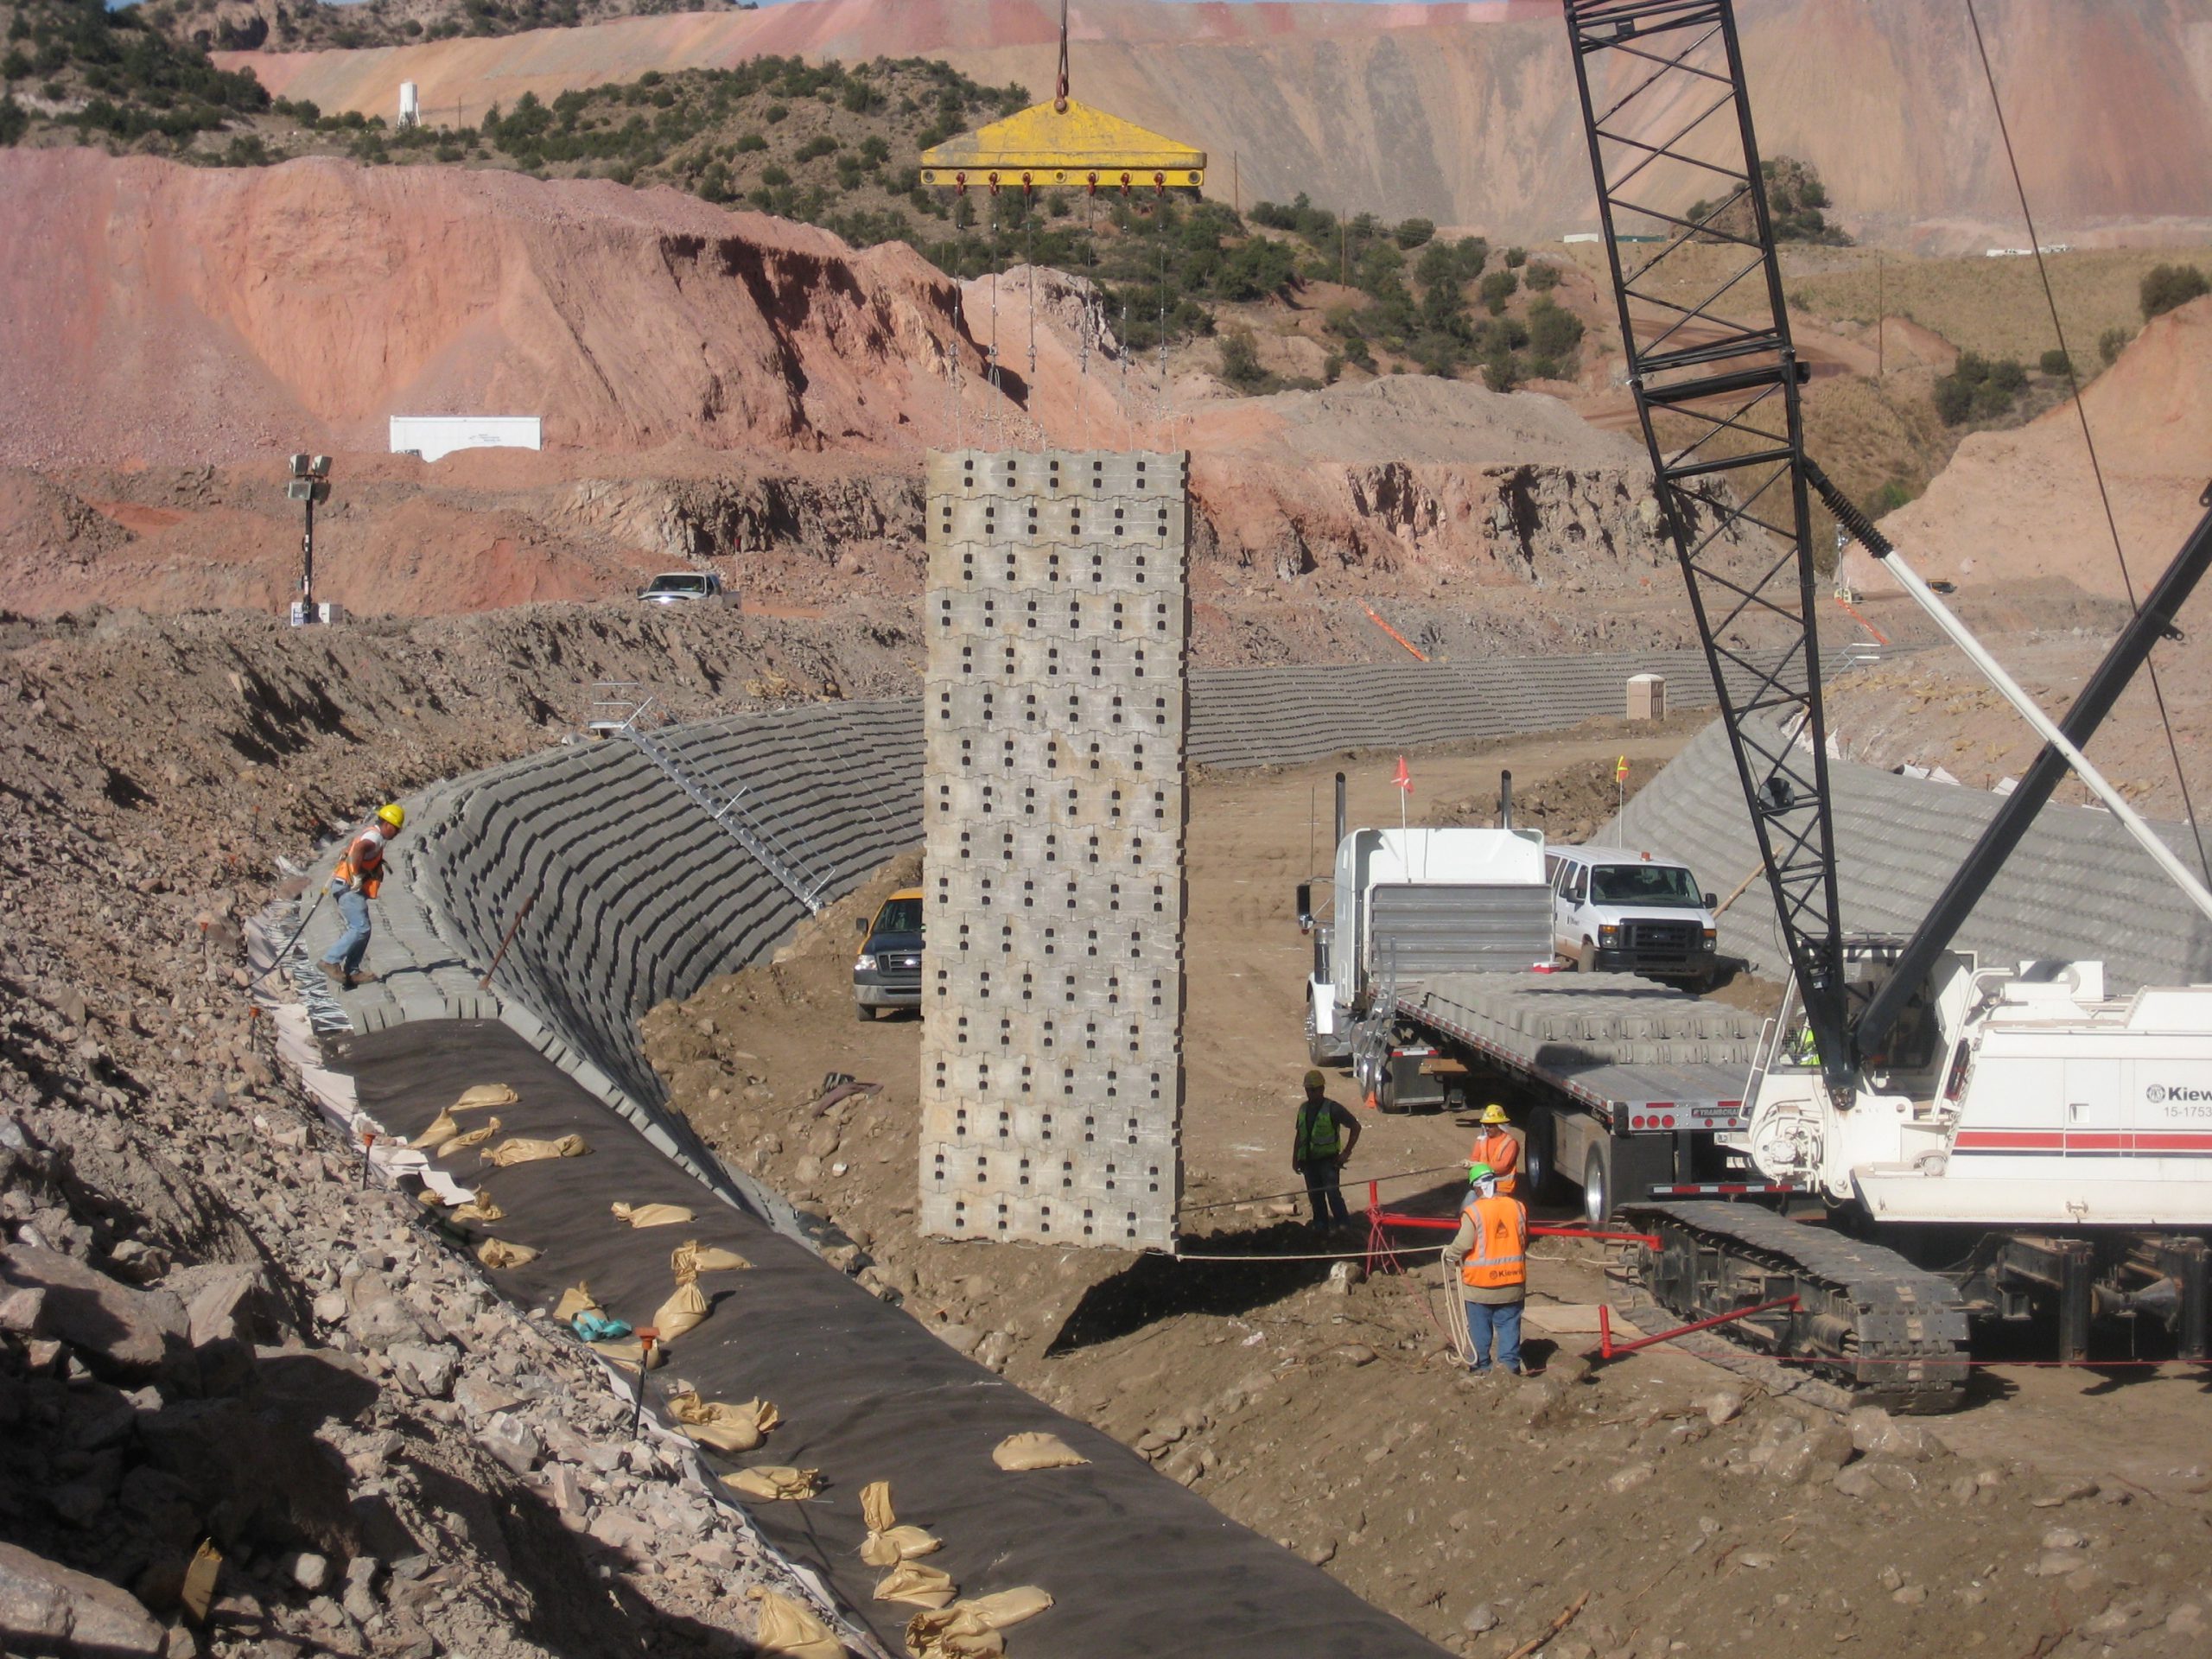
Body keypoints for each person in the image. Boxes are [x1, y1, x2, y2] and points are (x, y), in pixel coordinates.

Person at [1440, 1162, 1528, 1376]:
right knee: (1509, 1326)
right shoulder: (1517, 1207)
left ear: (1476, 1188)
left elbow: (1463, 1244)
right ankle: (1509, 1369)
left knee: (1480, 1328)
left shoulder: (1474, 1212)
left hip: (1481, 1286)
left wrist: (1449, 1254)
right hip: (1513, 1282)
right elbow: (1523, 1239)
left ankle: (1481, 1367)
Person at [321, 804, 404, 990]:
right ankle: (330, 960)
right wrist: (356, 875)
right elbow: (359, 849)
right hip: (348, 888)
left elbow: (354, 848)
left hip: (347, 887)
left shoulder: (373, 834)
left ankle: (352, 971)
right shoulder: (373, 837)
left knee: (364, 929)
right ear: (389, 825)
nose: (397, 833)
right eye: (397, 829)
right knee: (360, 928)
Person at [1291, 1069, 1361, 1231]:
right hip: (1308, 1162)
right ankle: (1321, 1228)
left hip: (1328, 1162)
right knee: (1316, 1198)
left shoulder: (1333, 1109)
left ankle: (1344, 1228)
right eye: (1308, 1090)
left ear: (1322, 1089)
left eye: (1313, 1090)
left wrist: (1346, 1153)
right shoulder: (1303, 1109)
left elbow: (1355, 1127)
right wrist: (1295, 1158)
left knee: (1333, 1196)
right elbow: (1300, 1135)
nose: (1310, 1093)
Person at [1469, 1103, 1521, 1197]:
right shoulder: (1481, 1141)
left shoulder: (1510, 1143)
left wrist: (1479, 1166)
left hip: (1501, 1190)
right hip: (1481, 1187)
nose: (1487, 1128)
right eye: (1485, 1125)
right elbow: (1474, 1158)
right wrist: (1470, 1164)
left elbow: (1503, 1166)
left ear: (1499, 1126)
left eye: (1490, 1126)